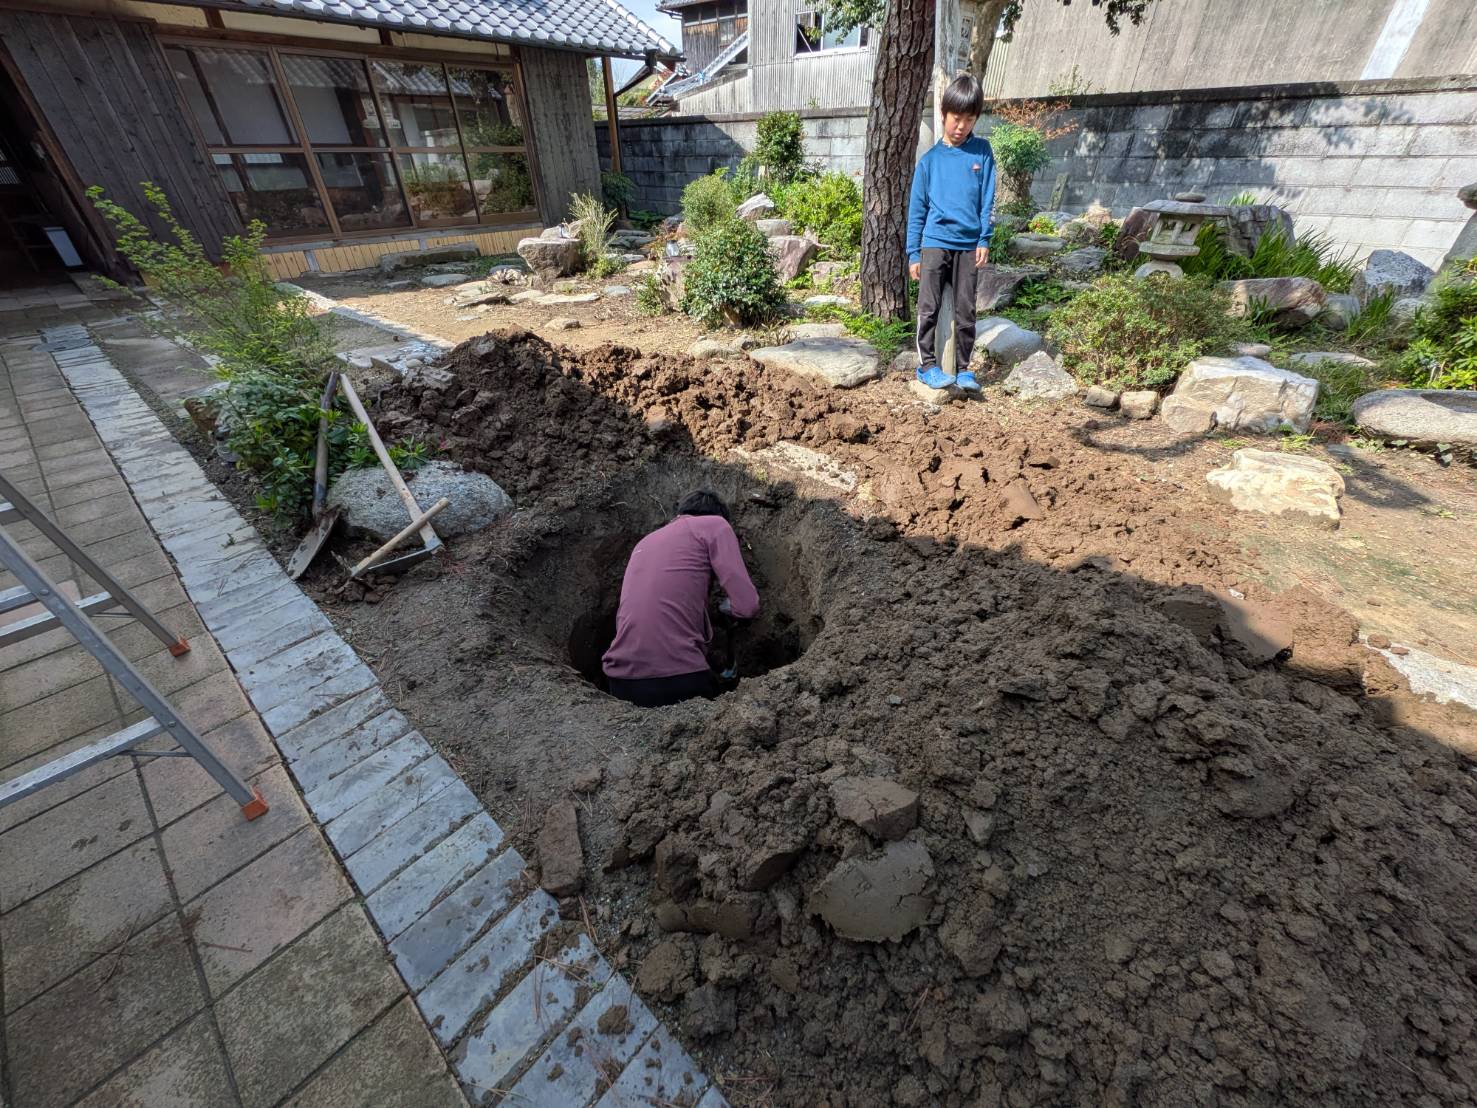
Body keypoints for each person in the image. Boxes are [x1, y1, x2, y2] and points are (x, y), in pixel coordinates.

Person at [602, 490, 759, 708]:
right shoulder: (716, 525)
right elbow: (747, 606)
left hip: (621, 684)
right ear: (718, 516)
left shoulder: (645, 542)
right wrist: (729, 609)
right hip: (680, 680)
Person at [906, 73, 997, 393]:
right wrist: (913, 253)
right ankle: (927, 365)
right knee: (928, 307)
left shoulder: (982, 152)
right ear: (943, 115)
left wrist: (984, 237)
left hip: (968, 245)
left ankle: (964, 369)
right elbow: (917, 210)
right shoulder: (929, 161)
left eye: (969, 120)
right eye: (956, 119)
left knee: (966, 310)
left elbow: (988, 198)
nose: (961, 126)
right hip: (934, 243)